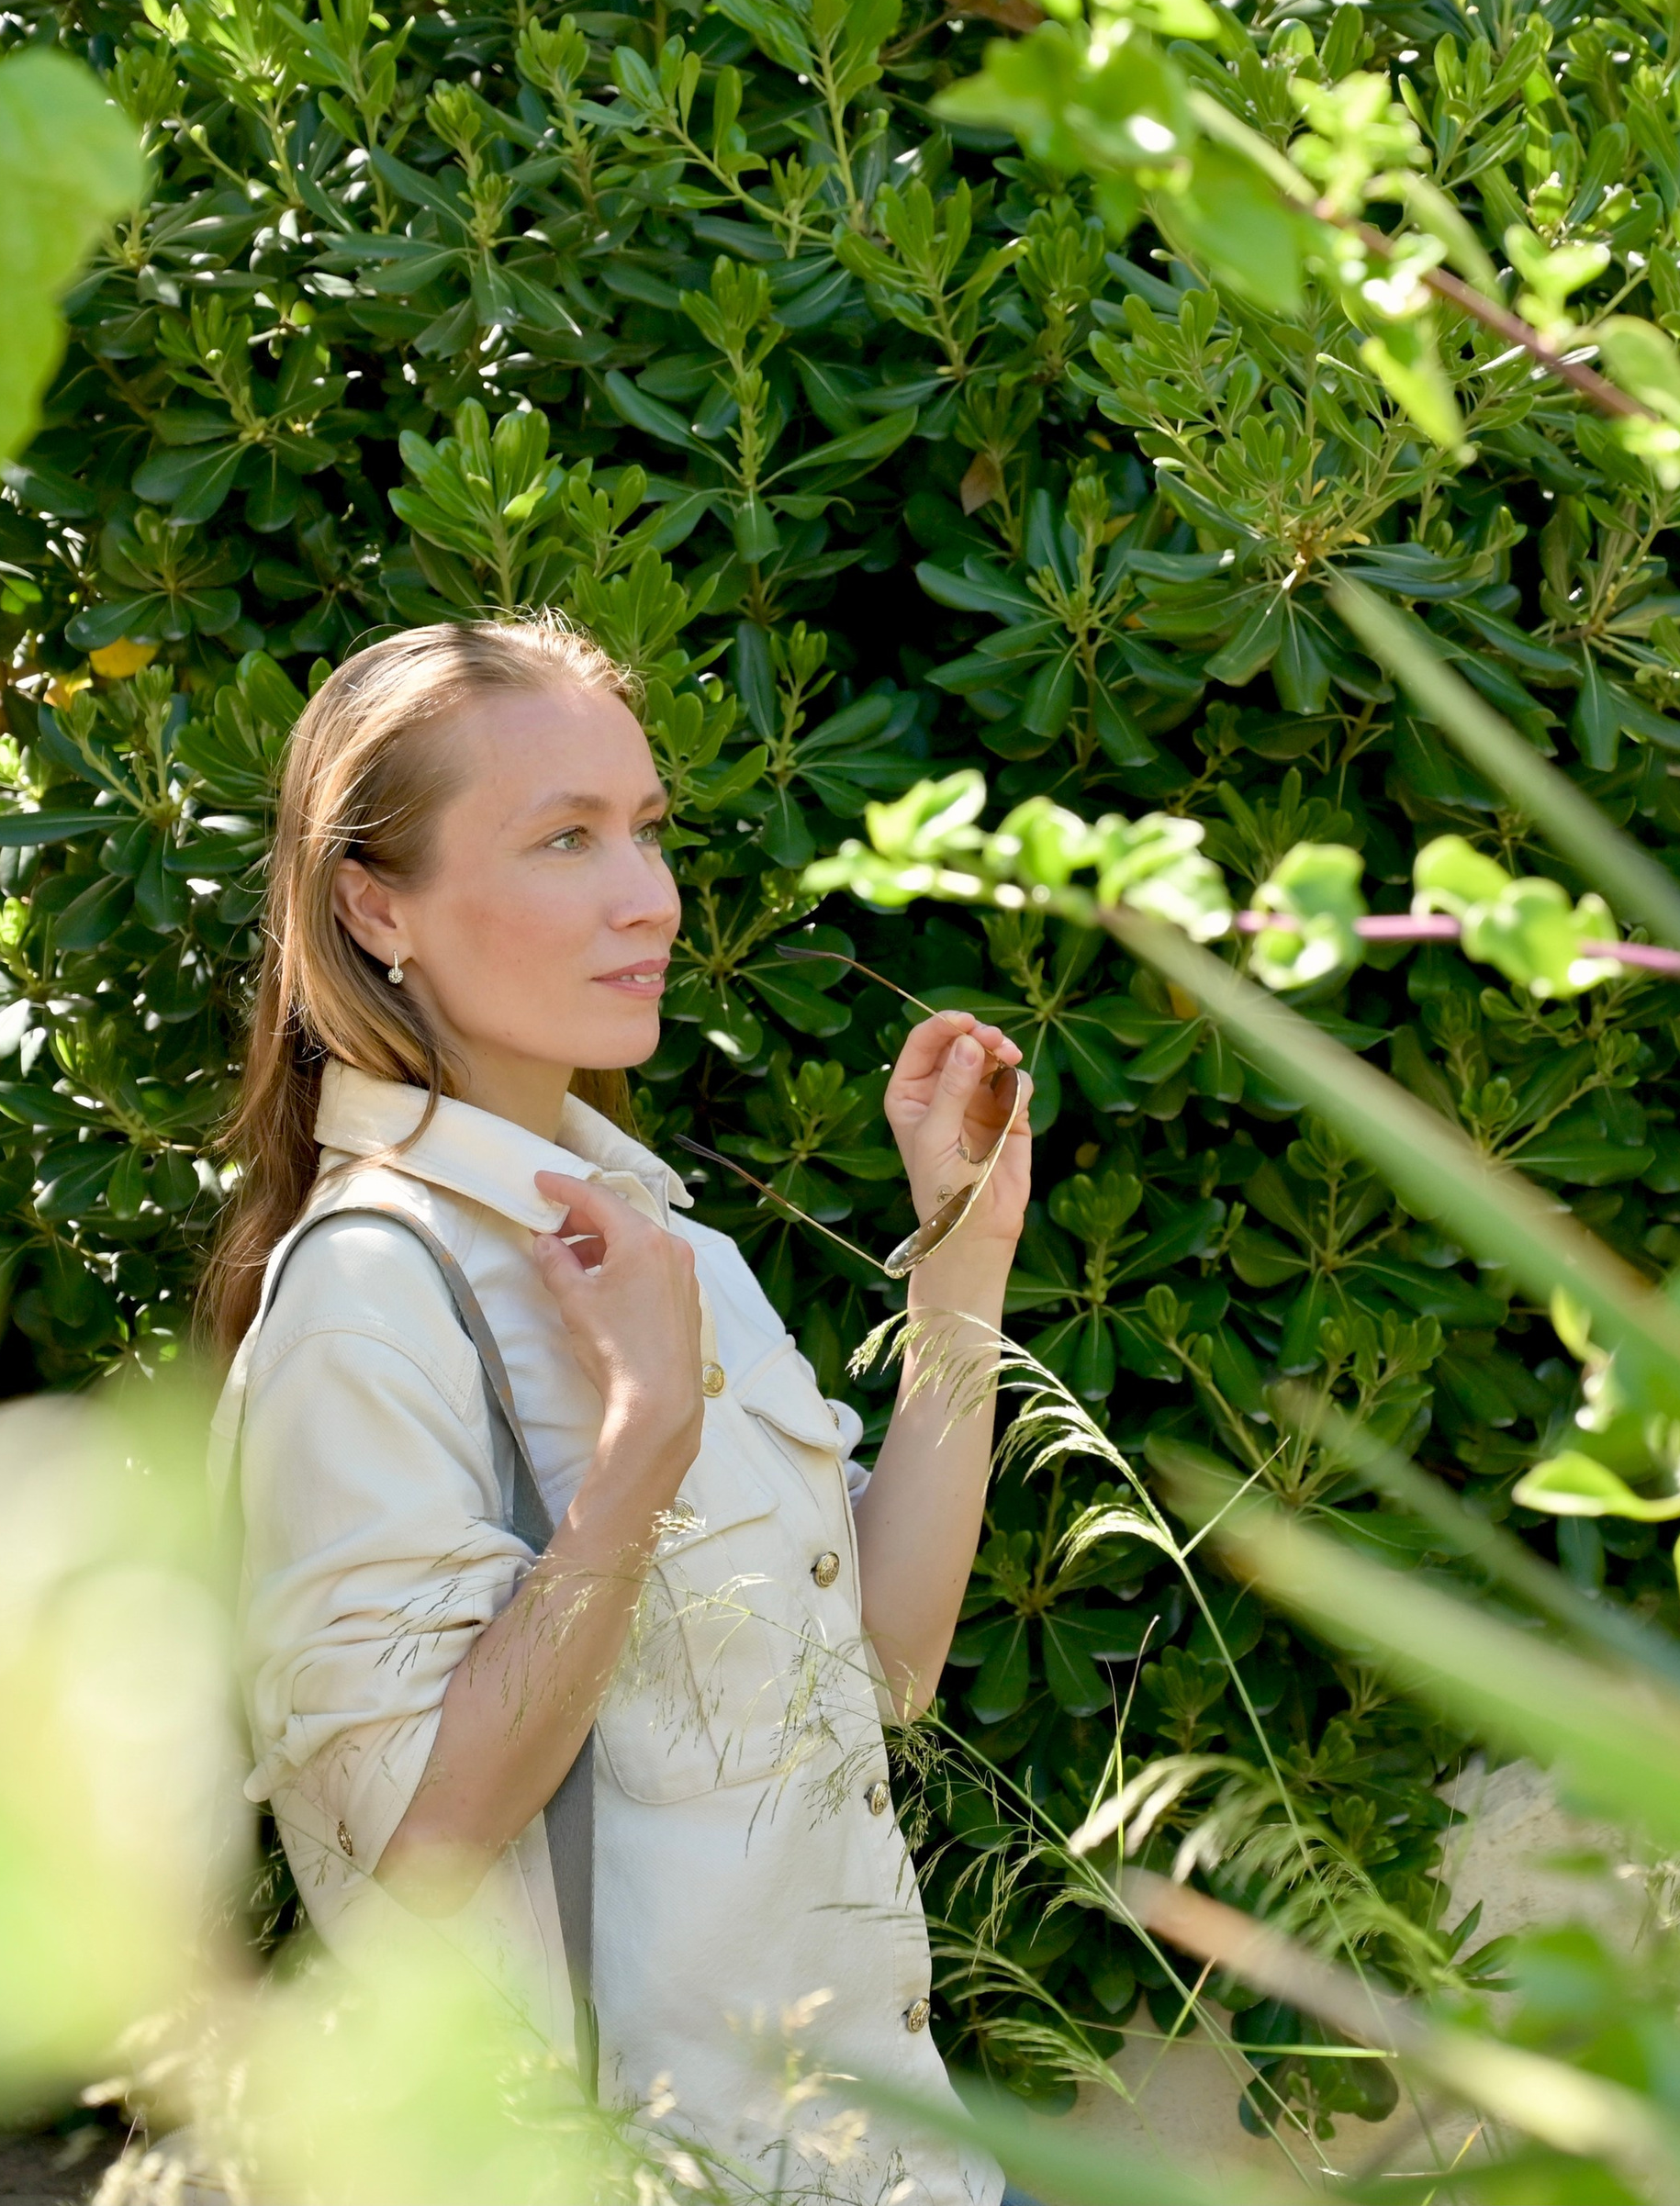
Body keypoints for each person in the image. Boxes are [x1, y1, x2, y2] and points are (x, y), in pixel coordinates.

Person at [200, 618, 1031, 2205]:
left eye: (644, 832)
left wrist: (960, 1273)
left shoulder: (661, 1243)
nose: (644, 896)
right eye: (564, 840)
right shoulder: (371, 1299)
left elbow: (886, 1665)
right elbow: (420, 1854)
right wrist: (639, 1449)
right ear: (377, 906)